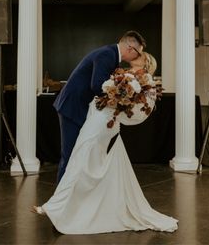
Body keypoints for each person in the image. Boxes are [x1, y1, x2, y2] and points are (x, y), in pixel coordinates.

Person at [33, 52, 178, 234]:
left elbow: (138, 111)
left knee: (80, 159)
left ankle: (54, 207)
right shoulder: (123, 73)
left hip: (105, 122)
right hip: (97, 117)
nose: (135, 55)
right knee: (84, 161)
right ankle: (72, 207)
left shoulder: (144, 79)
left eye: (140, 55)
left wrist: (118, 101)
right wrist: (111, 93)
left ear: (146, 62)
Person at [53, 31, 146, 182]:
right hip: (72, 106)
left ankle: (71, 197)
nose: (136, 58)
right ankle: (59, 201)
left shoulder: (110, 54)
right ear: (130, 48)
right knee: (70, 153)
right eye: (137, 54)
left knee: (79, 153)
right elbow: (97, 85)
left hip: (78, 106)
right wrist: (121, 97)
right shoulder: (107, 55)